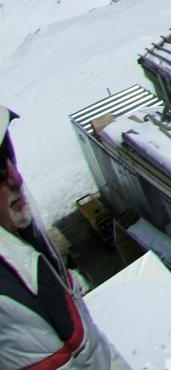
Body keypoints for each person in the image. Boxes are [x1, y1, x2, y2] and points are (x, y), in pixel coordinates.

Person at [1, 106, 132, 368]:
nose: (16, 177)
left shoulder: (24, 243)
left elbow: (94, 352)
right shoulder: (8, 291)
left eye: (9, 155)